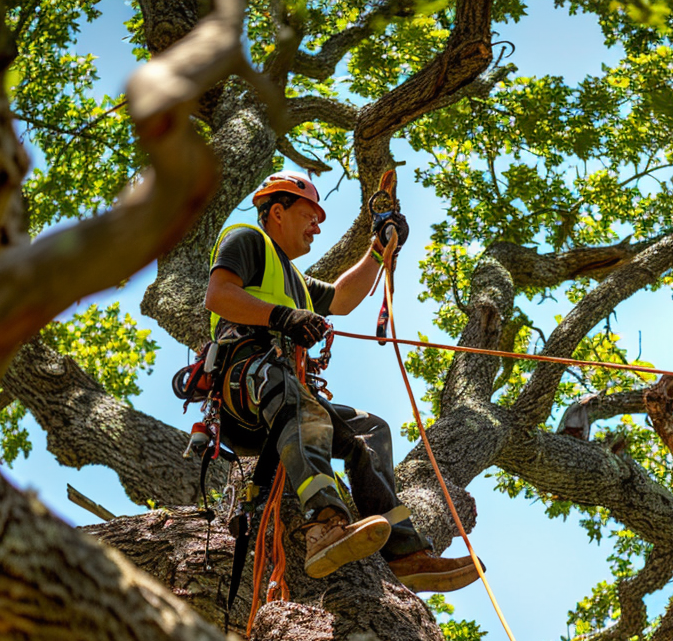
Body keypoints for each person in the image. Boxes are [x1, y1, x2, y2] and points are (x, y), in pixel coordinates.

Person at [203, 171, 481, 591]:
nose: (318, 226)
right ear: (277, 212)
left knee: (369, 429)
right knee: (301, 406)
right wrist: (282, 317)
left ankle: (406, 554)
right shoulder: (246, 241)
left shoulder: (294, 280)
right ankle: (325, 525)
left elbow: (344, 298)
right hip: (248, 382)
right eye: (309, 215)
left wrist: (379, 249)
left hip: (288, 394)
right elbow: (219, 295)